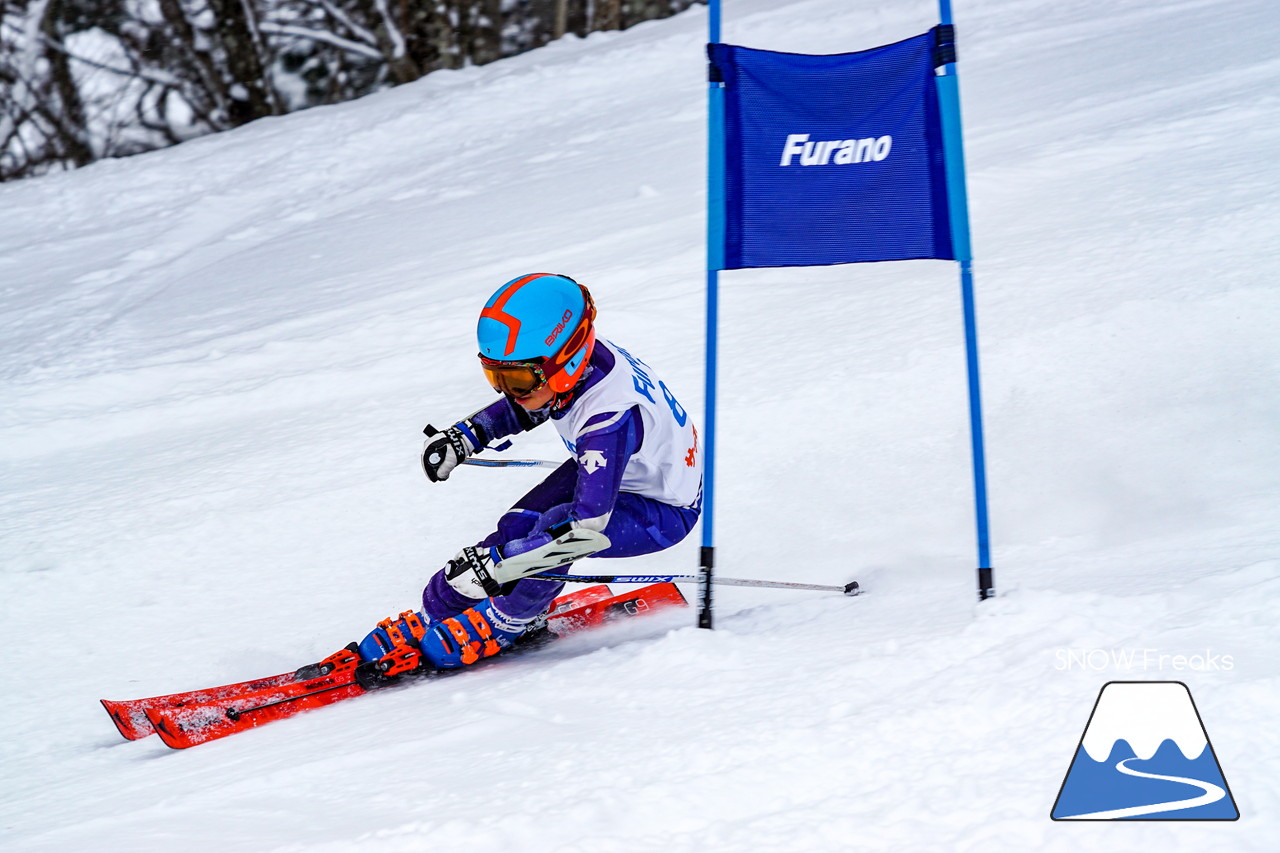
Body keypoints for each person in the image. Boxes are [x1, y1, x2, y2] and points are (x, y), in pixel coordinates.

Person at [357, 273, 702, 674]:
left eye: (516, 379)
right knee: (516, 524)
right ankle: (441, 610)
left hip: (663, 511)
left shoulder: (609, 419)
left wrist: (496, 569)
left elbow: (581, 534)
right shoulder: (569, 372)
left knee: (555, 529)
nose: (508, 391)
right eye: (496, 377)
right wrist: (467, 435)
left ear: (567, 362)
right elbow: (531, 401)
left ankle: (511, 620)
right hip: (622, 476)